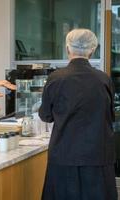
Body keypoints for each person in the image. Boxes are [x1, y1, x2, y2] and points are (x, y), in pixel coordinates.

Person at [39, 28, 117, 200]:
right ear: (92, 50)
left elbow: (45, 115)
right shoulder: (104, 79)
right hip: (98, 156)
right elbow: (110, 116)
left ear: (68, 49)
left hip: (64, 156)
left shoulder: (55, 78)